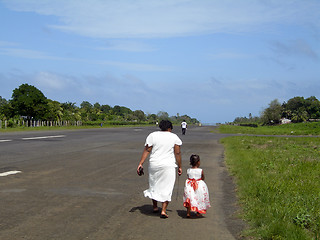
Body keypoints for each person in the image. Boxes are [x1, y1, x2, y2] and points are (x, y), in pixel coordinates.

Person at [137, 120, 182, 218]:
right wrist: (180, 166)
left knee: (154, 184)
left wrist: (141, 163)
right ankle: (164, 210)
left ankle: (155, 207)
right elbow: (177, 153)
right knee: (167, 187)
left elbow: (147, 150)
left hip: (154, 164)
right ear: (170, 128)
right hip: (168, 165)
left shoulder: (153, 135)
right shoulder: (174, 137)